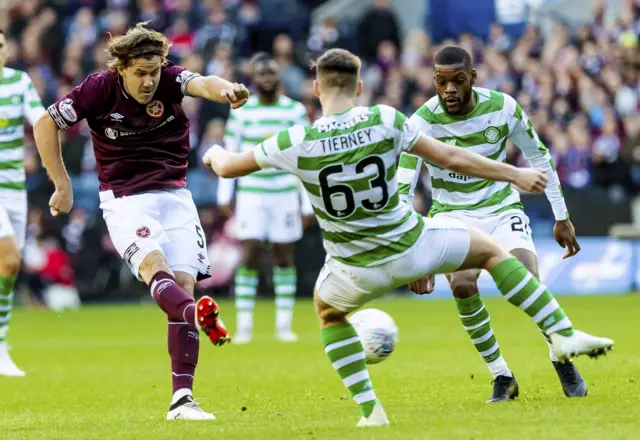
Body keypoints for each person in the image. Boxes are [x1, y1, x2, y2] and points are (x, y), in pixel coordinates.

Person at [202, 48, 614, 427]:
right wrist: (515, 173)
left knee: (327, 311)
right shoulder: (386, 118)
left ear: (315, 89)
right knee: (489, 256)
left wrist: (214, 152)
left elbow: (226, 167)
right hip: (411, 241)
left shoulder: (295, 140)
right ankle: (548, 340)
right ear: (359, 87)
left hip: (353, 265)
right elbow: (448, 158)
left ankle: (370, 411)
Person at [33, 22, 249, 420]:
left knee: (182, 286)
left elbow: (202, 84)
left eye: (154, 71)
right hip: (125, 200)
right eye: (140, 73)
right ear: (122, 69)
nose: (149, 81)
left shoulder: (169, 79)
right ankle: (196, 315)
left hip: (175, 196)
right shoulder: (98, 88)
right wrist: (61, 184)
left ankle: (182, 400)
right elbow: (46, 122)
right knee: (156, 268)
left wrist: (228, 91)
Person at [397, 45, 586, 402]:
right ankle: (502, 376)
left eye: (457, 80)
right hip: (452, 215)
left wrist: (561, 215)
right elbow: (403, 188)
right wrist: (414, 251)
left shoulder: (502, 107)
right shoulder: (421, 122)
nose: (448, 89)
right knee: (463, 285)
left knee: (527, 278)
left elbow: (538, 156)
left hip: (500, 208)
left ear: (473, 78)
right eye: (441, 82)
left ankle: (560, 355)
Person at [217, 52, 314, 344]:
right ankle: (245, 325)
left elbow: (305, 157)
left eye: (271, 73)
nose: (267, 78)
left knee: (285, 256)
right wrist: (226, 194)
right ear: (254, 79)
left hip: (284, 192)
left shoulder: (294, 111)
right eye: (262, 74)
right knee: (251, 253)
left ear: (279, 78)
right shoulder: (241, 112)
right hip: (252, 194)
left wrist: (307, 202)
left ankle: (283, 326)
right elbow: (229, 150)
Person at [0, 29, 47, 377]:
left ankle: (1, 341)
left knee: (10, 269)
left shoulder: (19, 83)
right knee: (10, 256)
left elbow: (39, 118)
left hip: (15, 188)